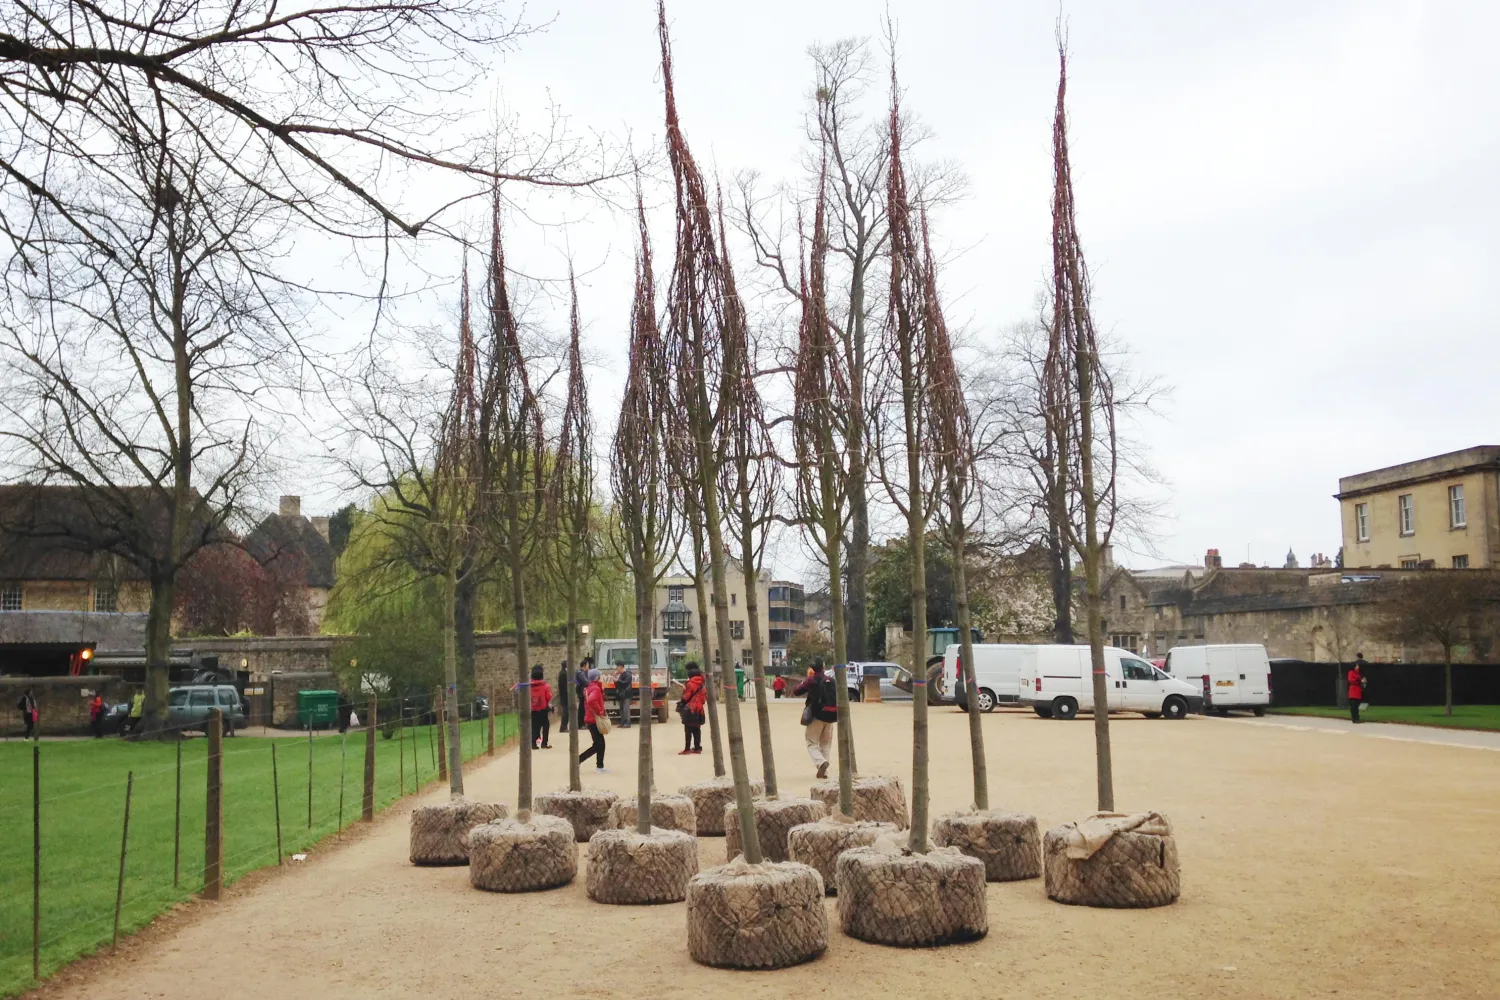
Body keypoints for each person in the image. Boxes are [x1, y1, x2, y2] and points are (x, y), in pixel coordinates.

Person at [793, 659, 839, 779]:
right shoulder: (832, 680)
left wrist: (807, 681)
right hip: (831, 717)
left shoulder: (811, 680)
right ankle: (824, 772)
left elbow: (796, 691)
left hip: (816, 716)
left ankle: (820, 763)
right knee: (825, 745)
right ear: (824, 667)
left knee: (812, 743)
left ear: (812, 668)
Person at [577, 668, 608, 771]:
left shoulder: (589, 687)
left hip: (590, 718)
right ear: (597, 677)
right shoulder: (595, 689)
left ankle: (600, 766)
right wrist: (600, 711)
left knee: (599, 744)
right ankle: (579, 759)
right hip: (593, 719)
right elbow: (592, 700)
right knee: (599, 745)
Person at [677, 662, 707, 754]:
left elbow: (686, 696)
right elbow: (703, 699)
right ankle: (697, 748)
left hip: (690, 709)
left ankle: (687, 748)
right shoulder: (702, 684)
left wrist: (681, 702)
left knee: (688, 729)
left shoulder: (690, 684)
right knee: (697, 729)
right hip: (699, 710)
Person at [529, 664, 553, 749]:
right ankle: (544, 743)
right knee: (545, 725)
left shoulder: (529, 686)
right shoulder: (545, 686)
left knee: (535, 726)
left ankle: (533, 744)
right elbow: (549, 697)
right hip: (543, 709)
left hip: (533, 709)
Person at [1348, 654, 1368, 724]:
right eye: (1356, 666)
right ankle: (1354, 719)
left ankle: (1357, 718)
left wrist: (1364, 682)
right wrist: (1360, 681)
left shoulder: (1359, 674)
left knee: (1356, 706)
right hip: (1353, 692)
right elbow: (1351, 681)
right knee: (1353, 706)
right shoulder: (1351, 673)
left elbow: (1360, 682)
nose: (1357, 667)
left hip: (1358, 692)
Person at [614, 663, 634, 729]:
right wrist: (615, 678)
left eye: (617, 668)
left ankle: (627, 723)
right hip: (622, 694)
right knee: (621, 709)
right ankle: (622, 722)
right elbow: (618, 684)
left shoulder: (628, 674)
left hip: (626, 694)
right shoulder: (621, 675)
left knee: (626, 709)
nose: (617, 670)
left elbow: (626, 682)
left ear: (620, 668)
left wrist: (618, 680)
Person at [574, 658, 591, 731]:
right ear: (584, 666)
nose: (588, 667)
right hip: (582, 692)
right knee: (582, 709)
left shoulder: (579, 672)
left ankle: (581, 723)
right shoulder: (581, 673)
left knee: (582, 708)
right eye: (588, 665)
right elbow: (586, 682)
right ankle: (581, 724)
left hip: (581, 692)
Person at [556, 661, 572, 733]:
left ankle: (564, 726)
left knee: (565, 711)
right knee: (565, 711)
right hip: (565, 695)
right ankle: (563, 727)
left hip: (563, 695)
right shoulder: (564, 674)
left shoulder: (561, 673)